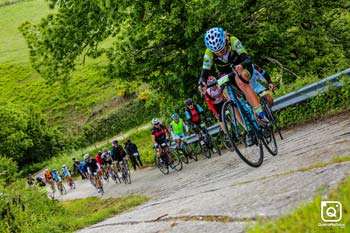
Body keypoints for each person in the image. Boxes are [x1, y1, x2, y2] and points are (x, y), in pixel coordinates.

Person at [199, 26, 268, 145]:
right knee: (229, 97)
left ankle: (261, 115)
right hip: (225, 73)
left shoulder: (233, 40)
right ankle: (248, 129)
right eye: (217, 52)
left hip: (241, 66)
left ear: (225, 41)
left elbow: (247, 60)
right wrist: (202, 83)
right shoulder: (209, 52)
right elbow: (204, 72)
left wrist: (241, 65)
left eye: (222, 49)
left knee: (241, 80)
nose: (220, 53)